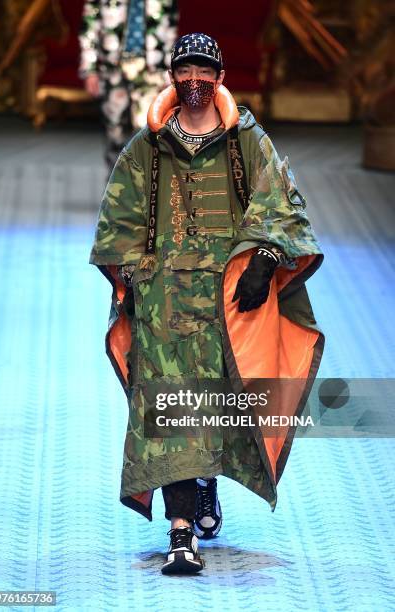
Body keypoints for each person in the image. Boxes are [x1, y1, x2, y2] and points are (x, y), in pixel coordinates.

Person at [89, 32, 325, 574]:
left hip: (229, 302)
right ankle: (180, 534)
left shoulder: (246, 143)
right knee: (171, 413)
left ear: (219, 78)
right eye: (184, 70)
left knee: (217, 408)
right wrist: (133, 274)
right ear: (172, 77)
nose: (194, 80)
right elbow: (118, 221)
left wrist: (265, 257)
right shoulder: (145, 150)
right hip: (164, 304)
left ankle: (203, 487)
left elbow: (282, 203)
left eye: (204, 70)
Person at [79, 0, 178, 170]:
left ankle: (145, 189)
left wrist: (170, 70)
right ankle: (116, 187)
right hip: (113, 69)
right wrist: (90, 69)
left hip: (151, 71)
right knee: (115, 130)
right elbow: (90, 27)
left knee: (148, 131)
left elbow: (170, 30)